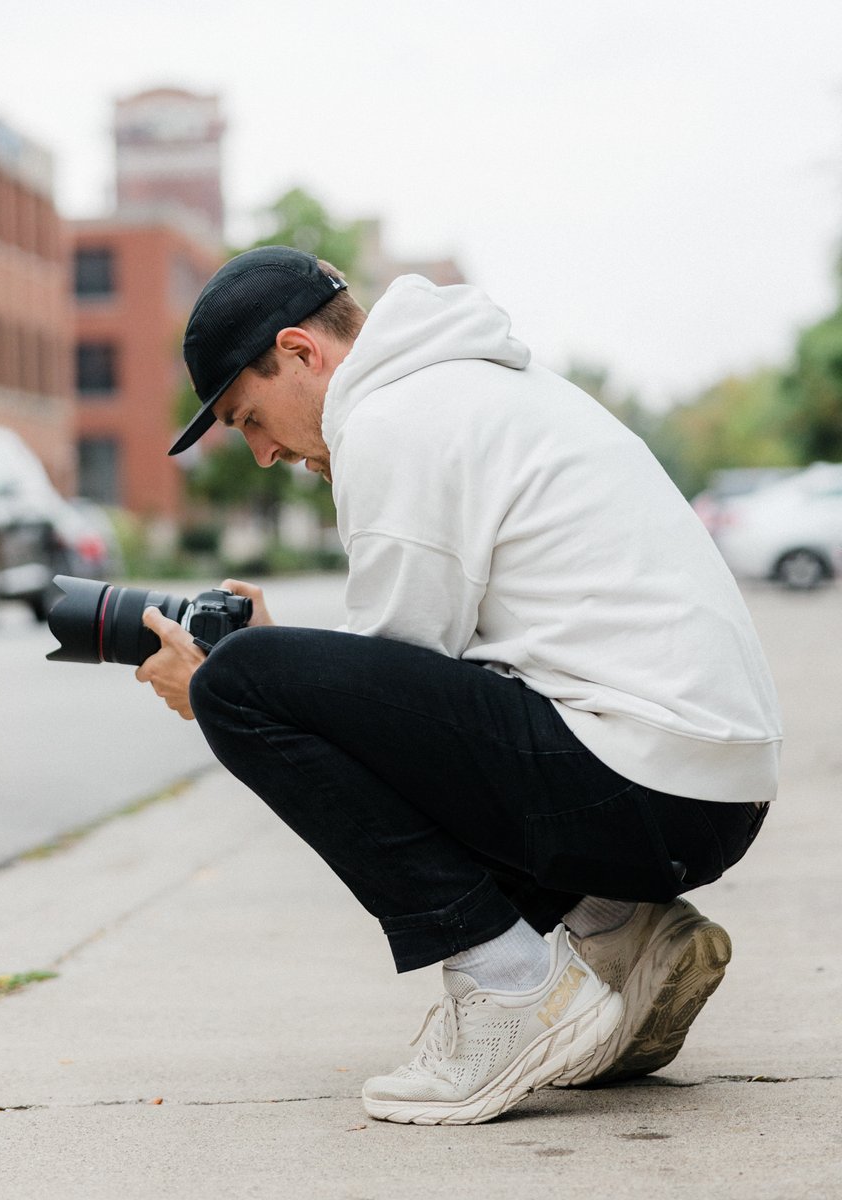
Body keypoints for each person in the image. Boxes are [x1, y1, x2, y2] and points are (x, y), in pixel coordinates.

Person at [136, 245, 781, 1126]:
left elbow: (393, 707)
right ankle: (616, 928)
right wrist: (297, 667)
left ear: (299, 351)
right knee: (267, 675)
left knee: (239, 687)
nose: (261, 453)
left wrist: (222, 683)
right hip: (708, 787)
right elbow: (415, 684)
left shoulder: (392, 419)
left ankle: (513, 986)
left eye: (249, 418)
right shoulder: (472, 384)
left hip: (644, 782)